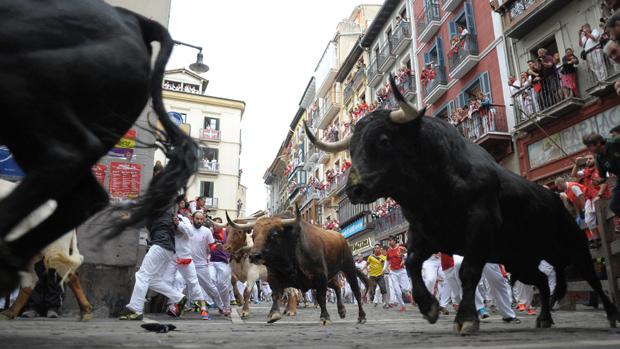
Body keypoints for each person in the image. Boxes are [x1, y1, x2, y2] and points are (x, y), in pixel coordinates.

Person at [120, 203, 187, 320]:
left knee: (142, 275)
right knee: (153, 280)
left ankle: (136, 310)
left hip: (159, 246)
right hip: (168, 250)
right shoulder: (168, 213)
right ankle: (179, 297)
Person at [583, 131, 620, 217]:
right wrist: (598, 182)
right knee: (614, 205)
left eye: (589, 146)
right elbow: (603, 177)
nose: (588, 148)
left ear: (598, 143)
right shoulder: (599, 159)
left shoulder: (614, 142)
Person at [208, 217, 233, 314]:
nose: (216, 226)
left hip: (223, 262)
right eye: (214, 224)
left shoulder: (227, 233)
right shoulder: (209, 232)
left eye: (218, 224)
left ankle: (227, 306)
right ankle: (220, 305)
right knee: (211, 281)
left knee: (222, 284)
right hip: (210, 261)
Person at [386, 236, 411, 312]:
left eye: (390, 240)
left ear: (394, 241)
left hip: (401, 271)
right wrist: (384, 269)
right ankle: (402, 306)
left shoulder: (401, 248)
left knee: (405, 289)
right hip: (393, 272)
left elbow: (408, 255)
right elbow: (387, 261)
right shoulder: (388, 251)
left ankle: (409, 295)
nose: (389, 242)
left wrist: (403, 257)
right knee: (397, 290)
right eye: (388, 241)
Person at [367, 244, 388, 308]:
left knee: (383, 288)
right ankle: (373, 300)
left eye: (378, 248)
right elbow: (367, 264)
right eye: (375, 248)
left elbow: (385, 264)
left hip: (380, 275)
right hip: (372, 276)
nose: (376, 249)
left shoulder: (383, 257)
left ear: (380, 249)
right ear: (374, 249)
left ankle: (384, 303)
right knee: (373, 290)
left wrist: (384, 270)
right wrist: (367, 269)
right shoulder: (370, 256)